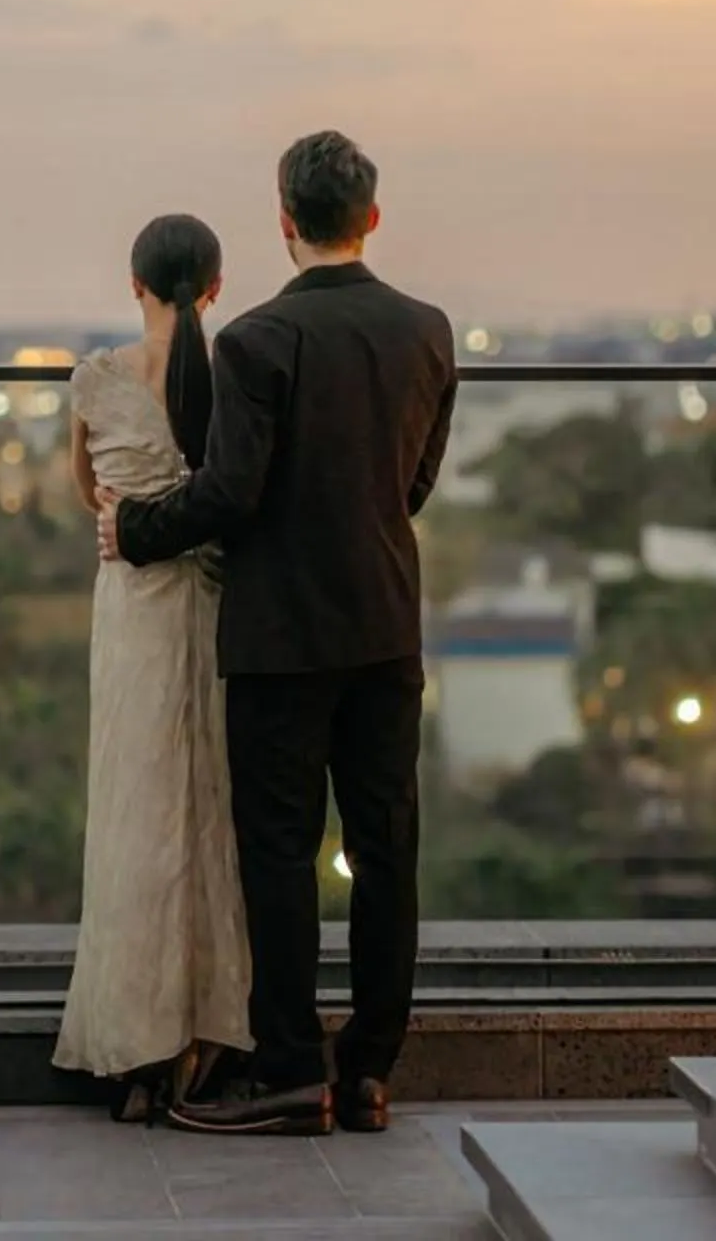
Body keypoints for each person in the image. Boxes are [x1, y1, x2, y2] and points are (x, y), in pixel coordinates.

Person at [97, 131, 458, 1138]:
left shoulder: (254, 342)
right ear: (372, 218)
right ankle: (373, 1069)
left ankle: (295, 1069)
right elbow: (413, 484)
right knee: (388, 851)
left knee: (281, 854)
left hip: (277, 638)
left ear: (284, 221)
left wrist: (134, 528)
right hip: (385, 626)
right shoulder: (427, 329)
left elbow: (227, 493)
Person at [51, 213, 254, 1122]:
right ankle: (210, 1036)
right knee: (215, 817)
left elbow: (92, 496)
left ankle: (136, 1048)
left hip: (133, 615)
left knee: (135, 820)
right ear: (214, 290)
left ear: (135, 284)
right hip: (218, 613)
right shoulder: (234, 379)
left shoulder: (96, 381)